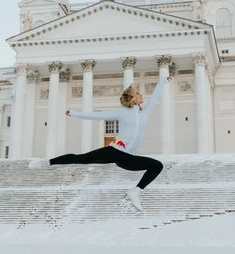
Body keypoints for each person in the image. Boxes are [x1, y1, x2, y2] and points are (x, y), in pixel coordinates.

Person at [29, 75, 173, 211]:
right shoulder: (121, 112)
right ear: (132, 98)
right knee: (81, 158)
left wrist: (162, 82)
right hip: (115, 152)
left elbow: (155, 97)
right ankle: (47, 162)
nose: (141, 95)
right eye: (138, 93)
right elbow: (97, 116)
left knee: (157, 166)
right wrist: (74, 113)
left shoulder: (145, 112)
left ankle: (134, 192)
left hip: (129, 158)